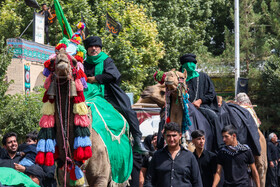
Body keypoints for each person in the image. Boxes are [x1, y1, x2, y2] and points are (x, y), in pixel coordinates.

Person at [83, 36, 148, 154]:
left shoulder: (106, 60)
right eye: (91, 47)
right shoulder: (83, 63)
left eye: (96, 46)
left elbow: (113, 76)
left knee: (128, 110)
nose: (94, 49)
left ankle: (137, 140)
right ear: (87, 49)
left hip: (108, 94)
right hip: (88, 94)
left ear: (100, 48)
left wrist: (95, 78)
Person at [179, 53, 223, 149]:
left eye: (193, 63)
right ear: (183, 66)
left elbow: (211, 93)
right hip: (182, 108)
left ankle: (220, 146)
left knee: (214, 117)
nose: (191, 66)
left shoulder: (203, 76)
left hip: (202, 107)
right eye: (188, 64)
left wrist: (200, 100)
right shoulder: (178, 79)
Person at [144, 122, 202, 187]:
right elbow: (149, 180)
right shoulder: (157, 156)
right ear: (164, 136)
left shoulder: (189, 156)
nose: (171, 139)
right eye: (168, 136)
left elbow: (197, 182)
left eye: (174, 135)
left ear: (180, 136)